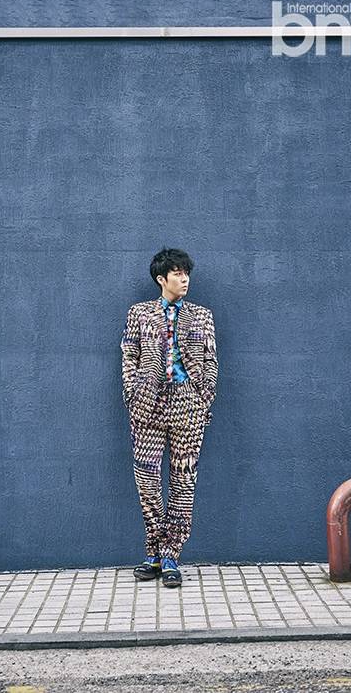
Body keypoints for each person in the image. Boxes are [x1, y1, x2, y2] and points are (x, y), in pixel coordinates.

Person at [120, 247, 219, 588]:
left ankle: (170, 555)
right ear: (162, 279)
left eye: (186, 273)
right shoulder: (139, 313)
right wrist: (133, 394)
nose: (185, 279)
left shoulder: (202, 315)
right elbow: (129, 355)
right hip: (147, 404)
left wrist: (204, 398)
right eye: (178, 274)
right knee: (147, 480)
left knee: (183, 482)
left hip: (188, 403)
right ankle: (154, 548)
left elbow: (211, 360)